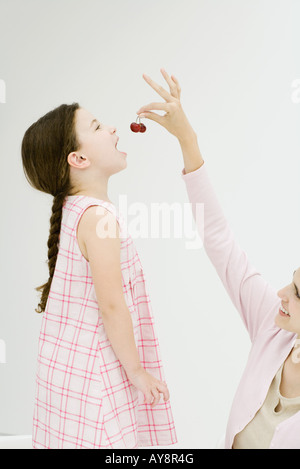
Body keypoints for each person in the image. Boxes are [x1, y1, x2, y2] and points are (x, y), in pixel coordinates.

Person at [136, 68, 300, 449]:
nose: (280, 293)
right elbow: (219, 239)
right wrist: (186, 139)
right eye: (290, 281)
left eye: (296, 291)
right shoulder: (272, 324)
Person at [21, 101, 177, 449]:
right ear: (78, 159)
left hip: (69, 373)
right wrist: (136, 371)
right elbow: (111, 305)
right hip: (95, 375)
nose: (112, 129)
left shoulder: (75, 211)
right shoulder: (98, 218)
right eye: (96, 127)